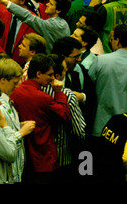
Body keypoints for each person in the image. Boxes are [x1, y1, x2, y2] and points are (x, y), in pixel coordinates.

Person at [12, 53, 71, 183]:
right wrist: (59, 92)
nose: (52, 78)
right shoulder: (43, 98)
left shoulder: (15, 92)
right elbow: (64, 115)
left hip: (22, 155)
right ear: (38, 74)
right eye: (49, 75)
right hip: (43, 158)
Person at [88, 23, 127, 140]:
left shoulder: (100, 61)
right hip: (126, 131)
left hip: (99, 127)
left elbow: (87, 89)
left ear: (117, 41)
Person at [41, 54, 86, 182]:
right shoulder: (68, 96)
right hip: (62, 157)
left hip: (38, 156)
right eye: (64, 68)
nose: (66, 70)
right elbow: (79, 131)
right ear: (56, 75)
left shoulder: (36, 92)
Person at [0, 58, 36, 182]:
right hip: (5, 175)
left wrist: (19, 125)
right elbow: (1, 142)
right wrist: (22, 132)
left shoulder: (7, 101)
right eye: (14, 83)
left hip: (15, 172)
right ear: (3, 80)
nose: (17, 87)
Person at [0, 0, 71, 54]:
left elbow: (28, 16)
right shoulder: (65, 25)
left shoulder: (50, 25)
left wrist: (6, 3)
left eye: (51, 4)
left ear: (58, 10)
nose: (47, 5)